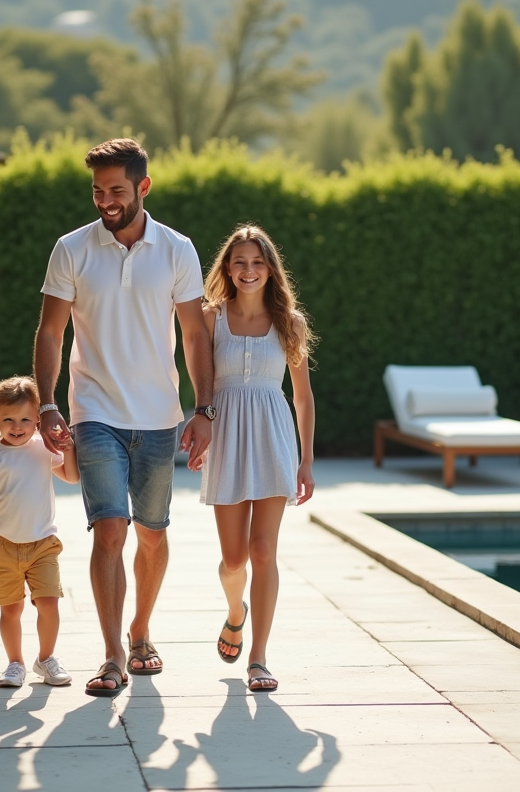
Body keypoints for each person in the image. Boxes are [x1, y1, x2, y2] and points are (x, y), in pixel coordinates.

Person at [33, 138, 215, 697]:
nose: (105, 201)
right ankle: (112, 654)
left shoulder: (178, 249)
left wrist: (203, 409)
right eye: (97, 191)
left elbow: (193, 333)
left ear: (143, 187)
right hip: (95, 412)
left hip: (159, 415)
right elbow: (50, 332)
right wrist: (46, 401)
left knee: (152, 534)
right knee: (109, 528)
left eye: (116, 190)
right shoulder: (71, 248)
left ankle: (141, 632)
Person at [195, 224, 316, 693]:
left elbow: (302, 398)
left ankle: (260, 659)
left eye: (258, 263)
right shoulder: (209, 318)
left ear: (271, 269)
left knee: (263, 550)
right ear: (228, 267)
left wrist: (306, 460)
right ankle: (234, 612)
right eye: (240, 262)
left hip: (272, 436)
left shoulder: (291, 322)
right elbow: (197, 379)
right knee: (233, 558)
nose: (248, 271)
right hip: (226, 434)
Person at [0, 375, 80, 689]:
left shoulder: (43, 449)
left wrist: (66, 446)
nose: (17, 426)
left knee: (49, 602)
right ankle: (14, 663)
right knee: (11, 608)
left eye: (26, 419)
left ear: (38, 421)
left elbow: (71, 476)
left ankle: (46, 658)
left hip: (43, 543)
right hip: (2, 545)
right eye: (9, 420)